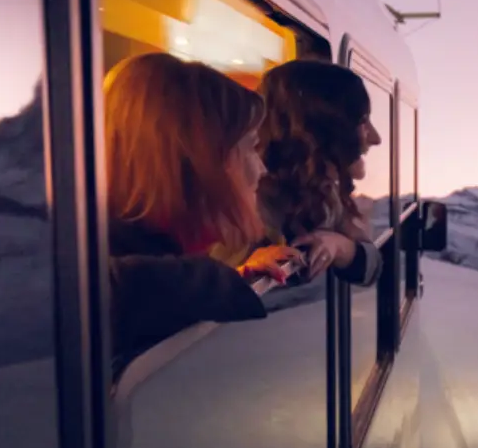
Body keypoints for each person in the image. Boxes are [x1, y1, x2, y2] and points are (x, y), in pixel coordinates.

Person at [104, 52, 301, 368]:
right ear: (198, 161)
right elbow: (102, 288)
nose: (262, 167)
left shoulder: (145, 241)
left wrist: (239, 275)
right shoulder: (93, 266)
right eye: (250, 146)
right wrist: (214, 282)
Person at [254, 59, 383, 286]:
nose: (376, 138)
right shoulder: (250, 201)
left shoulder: (320, 192)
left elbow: (373, 265)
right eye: (362, 121)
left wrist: (339, 246)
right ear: (324, 130)